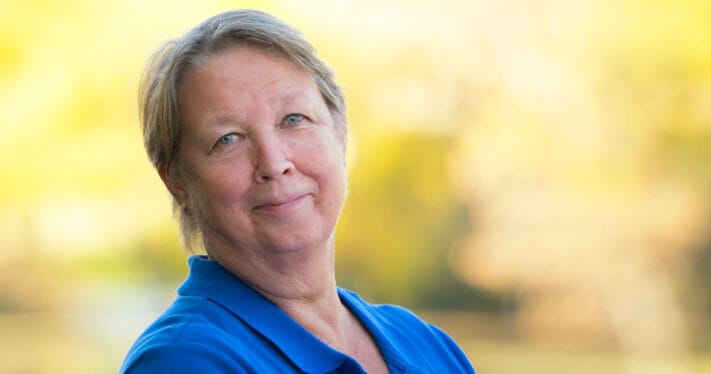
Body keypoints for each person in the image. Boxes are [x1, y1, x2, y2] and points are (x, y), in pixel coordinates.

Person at [121, 9, 474, 373]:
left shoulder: (428, 345)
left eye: (293, 120)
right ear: (177, 182)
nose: (273, 163)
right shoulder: (184, 361)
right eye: (228, 139)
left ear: (340, 131)